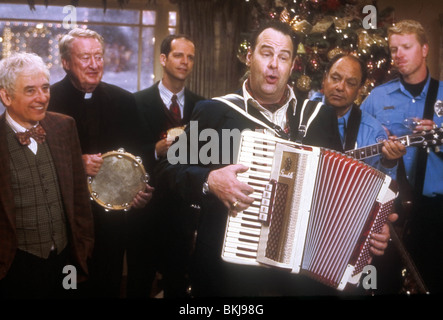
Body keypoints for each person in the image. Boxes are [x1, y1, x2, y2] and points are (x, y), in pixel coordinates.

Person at [156, 20, 397, 297]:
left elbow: (338, 193)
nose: (274, 64)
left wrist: (370, 228)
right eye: (266, 53)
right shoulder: (214, 112)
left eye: (283, 57)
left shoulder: (318, 118)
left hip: (301, 280)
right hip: (228, 278)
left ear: (292, 64)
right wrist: (209, 180)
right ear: (250, 57)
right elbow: (166, 170)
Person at [47, 28, 154, 298]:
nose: (94, 65)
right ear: (66, 62)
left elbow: (142, 154)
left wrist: (143, 189)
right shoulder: (47, 103)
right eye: (85, 58)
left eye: (98, 56)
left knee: (107, 286)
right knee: (67, 288)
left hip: (113, 224)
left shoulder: (124, 101)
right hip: (65, 222)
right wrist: (75, 163)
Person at [0, 52, 94, 299]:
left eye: (45, 88)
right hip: (14, 264)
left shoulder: (65, 126)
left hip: (67, 260)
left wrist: (82, 249)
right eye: (30, 91)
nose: (42, 98)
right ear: (6, 95)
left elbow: (79, 198)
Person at [360, 19, 443, 294]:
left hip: (435, 212)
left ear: (424, 49)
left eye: (406, 47)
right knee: (383, 285)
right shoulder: (376, 96)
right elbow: (358, 148)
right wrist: (382, 152)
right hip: (388, 209)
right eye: (394, 49)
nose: (399, 55)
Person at [134, 34, 205, 297]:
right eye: (178, 55)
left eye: (190, 57)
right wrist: (155, 150)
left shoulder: (202, 106)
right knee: (140, 281)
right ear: (163, 59)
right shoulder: (137, 102)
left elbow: (207, 157)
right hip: (145, 210)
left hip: (184, 212)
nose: (185, 62)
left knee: (178, 284)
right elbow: (127, 153)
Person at [311, 53, 406, 176]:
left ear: (359, 90)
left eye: (350, 83)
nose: (340, 87)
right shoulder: (301, 113)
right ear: (324, 79)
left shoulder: (373, 131)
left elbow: (381, 186)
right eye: (335, 78)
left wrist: (388, 163)